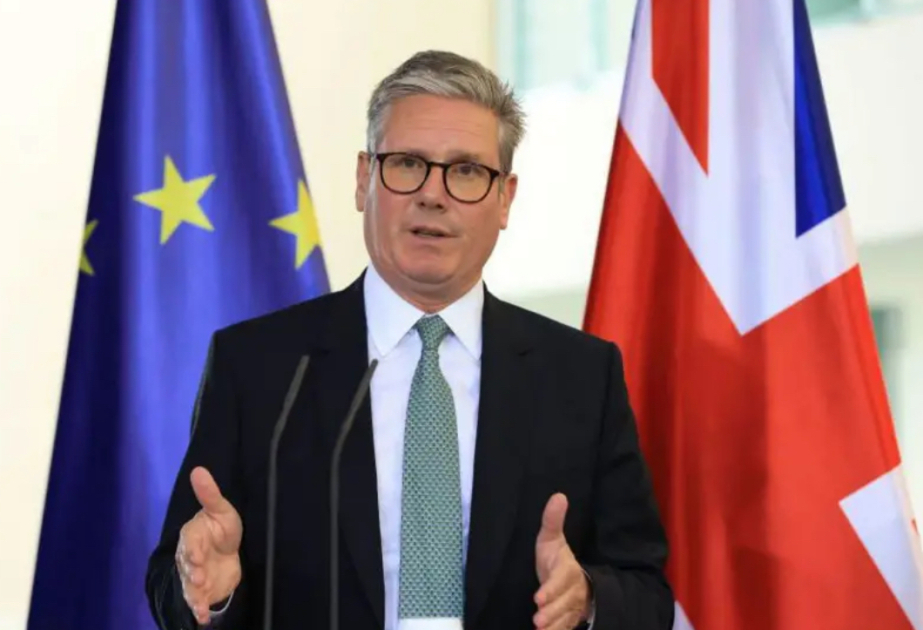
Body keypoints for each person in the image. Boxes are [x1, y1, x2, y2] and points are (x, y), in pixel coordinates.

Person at [145, 50, 674, 630]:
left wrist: (589, 598)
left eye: (466, 171)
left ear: (505, 199)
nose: (433, 194)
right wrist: (212, 593)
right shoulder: (260, 367)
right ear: (363, 179)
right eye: (407, 164)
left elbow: (647, 591)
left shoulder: (580, 376)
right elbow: (173, 587)